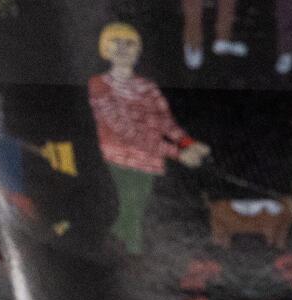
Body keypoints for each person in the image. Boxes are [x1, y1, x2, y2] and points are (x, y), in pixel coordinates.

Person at [88, 22, 209, 256]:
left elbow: (166, 122)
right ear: (105, 48)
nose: (123, 48)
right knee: (131, 205)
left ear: (138, 50)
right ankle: (134, 253)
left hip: (150, 155)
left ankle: (114, 245)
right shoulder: (99, 85)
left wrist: (188, 144)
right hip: (119, 154)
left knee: (136, 206)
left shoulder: (147, 87)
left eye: (129, 43)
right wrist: (176, 153)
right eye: (116, 42)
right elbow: (124, 130)